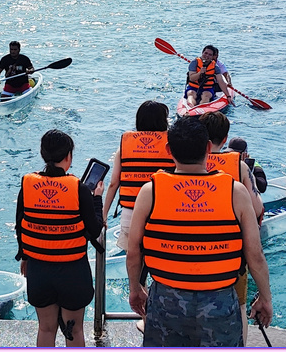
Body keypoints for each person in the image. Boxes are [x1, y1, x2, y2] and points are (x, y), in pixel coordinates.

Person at [127, 116, 273, 347]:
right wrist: (265, 297)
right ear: (208, 148)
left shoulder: (150, 192)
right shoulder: (236, 193)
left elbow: (134, 251)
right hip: (220, 302)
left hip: (166, 301)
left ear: (168, 150)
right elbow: (255, 255)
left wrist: (135, 289)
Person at [15, 130, 104, 347]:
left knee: (45, 328)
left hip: (39, 270)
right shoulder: (79, 188)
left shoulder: (27, 185)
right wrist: (97, 200)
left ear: (43, 154)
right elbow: (94, 230)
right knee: (73, 330)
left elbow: (21, 226)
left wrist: (25, 256)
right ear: (68, 157)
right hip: (72, 271)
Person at [200, 112, 265, 344]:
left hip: (191, 248)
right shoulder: (239, 167)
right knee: (239, 305)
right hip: (231, 252)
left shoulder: (186, 163)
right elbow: (257, 208)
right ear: (225, 138)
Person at [102, 100, 172, 252]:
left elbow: (114, 183)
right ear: (163, 121)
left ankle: (134, 277)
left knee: (132, 255)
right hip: (161, 213)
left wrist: (104, 214)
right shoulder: (172, 145)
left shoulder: (125, 146)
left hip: (130, 214)